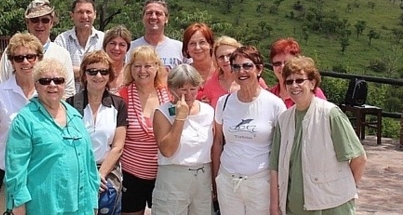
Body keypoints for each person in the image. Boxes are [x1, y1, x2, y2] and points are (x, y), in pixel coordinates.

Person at [269, 56, 367, 215]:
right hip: (295, 207)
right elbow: (275, 166)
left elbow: (359, 158)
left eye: (300, 80)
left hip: (331, 207)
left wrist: (341, 190)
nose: (294, 85)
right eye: (289, 81)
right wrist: (274, 207)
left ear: (312, 83)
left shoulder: (330, 114)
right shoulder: (284, 119)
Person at [5, 58, 100, 215]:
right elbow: (16, 166)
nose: (52, 85)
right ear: (36, 85)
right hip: (43, 205)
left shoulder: (75, 116)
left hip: (81, 205)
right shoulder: (25, 120)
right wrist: (18, 203)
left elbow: (89, 161)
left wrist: (93, 199)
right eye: (45, 81)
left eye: (58, 80)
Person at [211, 46, 286, 215]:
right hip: (228, 181)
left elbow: (281, 148)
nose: (241, 71)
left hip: (261, 183)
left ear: (259, 69)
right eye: (236, 67)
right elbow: (218, 141)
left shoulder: (274, 104)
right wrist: (216, 179)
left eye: (247, 66)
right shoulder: (224, 102)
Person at [0, 33, 43, 215]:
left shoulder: (49, 92)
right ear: (12, 62)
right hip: (4, 175)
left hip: (38, 174)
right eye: (19, 58)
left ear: (39, 58)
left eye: (30, 56)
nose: (25, 62)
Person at [67, 50, 128, 215]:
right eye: (92, 71)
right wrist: (88, 174)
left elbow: (118, 147)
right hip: (77, 171)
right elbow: (68, 145)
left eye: (104, 71)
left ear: (109, 76)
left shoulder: (119, 105)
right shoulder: (70, 104)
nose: (98, 76)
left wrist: (99, 175)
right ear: (84, 75)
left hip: (106, 173)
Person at [152, 64, 214, 215]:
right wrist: (180, 117)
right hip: (173, 177)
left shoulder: (208, 111)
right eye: (183, 90)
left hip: (202, 177)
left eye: (193, 89)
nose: (189, 94)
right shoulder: (162, 113)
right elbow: (167, 150)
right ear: (172, 89)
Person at [118, 46, 170, 215]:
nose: (142, 71)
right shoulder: (121, 96)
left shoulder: (169, 94)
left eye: (148, 66)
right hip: (132, 173)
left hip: (165, 172)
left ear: (157, 67)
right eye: (137, 66)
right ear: (130, 68)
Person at [0, 0, 75, 98]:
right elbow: (2, 84)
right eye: (34, 20)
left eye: (45, 20)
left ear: (51, 23)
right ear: (27, 23)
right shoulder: (12, 51)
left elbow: (69, 92)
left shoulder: (62, 54)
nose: (40, 25)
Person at [199, 36, 268, 109]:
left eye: (230, 55)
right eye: (221, 57)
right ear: (216, 60)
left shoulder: (254, 80)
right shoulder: (210, 85)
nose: (226, 60)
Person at [55, 0, 105, 91]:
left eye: (88, 12)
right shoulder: (61, 40)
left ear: (95, 15)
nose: (84, 16)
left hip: (97, 98)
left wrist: (74, 71)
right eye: (80, 12)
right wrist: (92, 72)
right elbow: (58, 71)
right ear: (72, 15)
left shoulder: (104, 40)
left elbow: (107, 70)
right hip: (68, 99)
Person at [128, 0, 185, 70]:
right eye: (149, 13)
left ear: (166, 19)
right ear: (143, 18)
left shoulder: (180, 48)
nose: (153, 17)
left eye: (158, 13)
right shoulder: (130, 48)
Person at [269, 37, 326, 108]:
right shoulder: (269, 95)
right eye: (277, 63)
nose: (282, 67)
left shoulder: (313, 92)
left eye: (287, 63)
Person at [103, 25, 132, 93]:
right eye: (112, 43)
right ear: (105, 46)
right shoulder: (96, 72)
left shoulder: (131, 74)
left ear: (127, 48)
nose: (116, 48)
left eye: (122, 45)